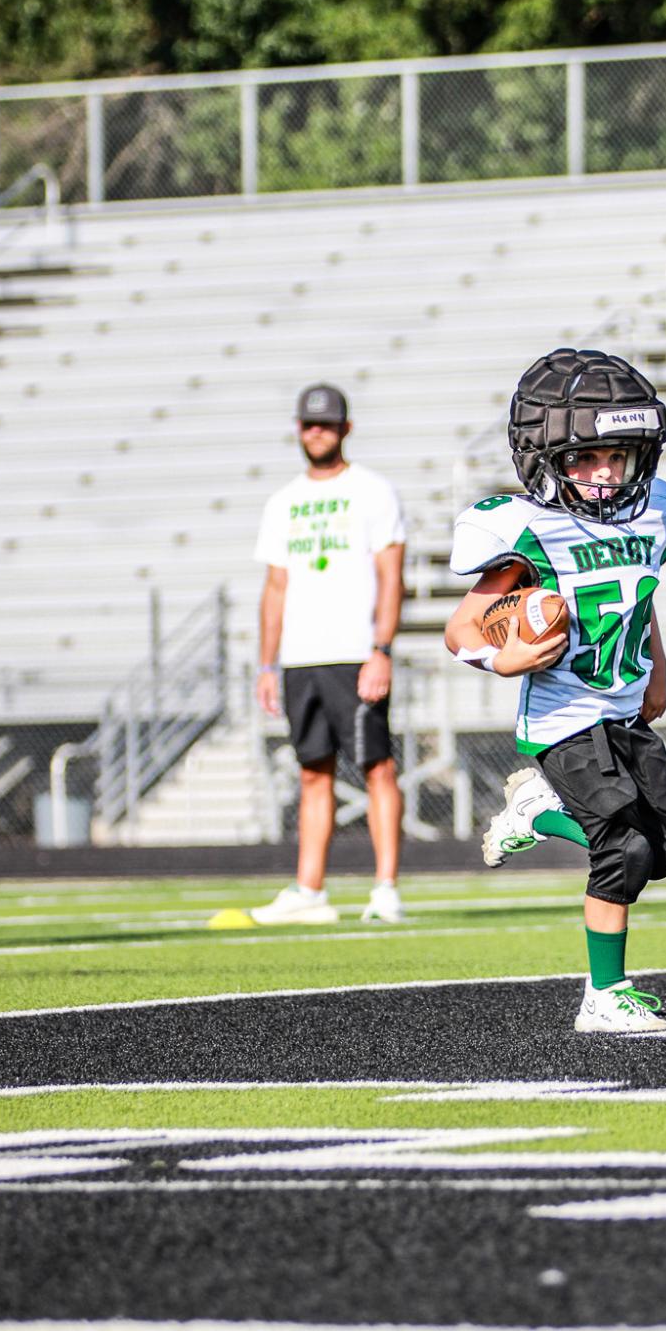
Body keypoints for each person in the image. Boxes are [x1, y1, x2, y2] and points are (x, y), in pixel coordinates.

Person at [444, 347, 666, 1032]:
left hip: (620, 706)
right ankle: (603, 996)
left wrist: (656, 667)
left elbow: (639, 600)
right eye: (585, 458)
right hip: (563, 718)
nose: (605, 473)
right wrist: (508, 655)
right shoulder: (528, 528)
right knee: (623, 848)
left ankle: (533, 810)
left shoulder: (656, 514)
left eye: (617, 455)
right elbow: (462, 627)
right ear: (544, 458)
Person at [251, 383, 407, 925]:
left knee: (376, 767)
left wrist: (381, 649)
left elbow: (392, 576)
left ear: (346, 429)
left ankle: (385, 888)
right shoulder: (282, 502)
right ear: (298, 429)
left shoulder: (373, 491)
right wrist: (267, 664)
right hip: (299, 659)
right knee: (312, 774)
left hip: (354, 654)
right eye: (308, 424)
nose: (316, 432)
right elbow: (275, 588)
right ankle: (309, 890)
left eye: (327, 424)